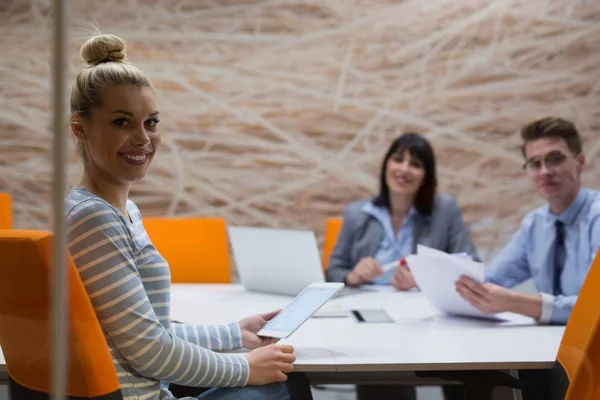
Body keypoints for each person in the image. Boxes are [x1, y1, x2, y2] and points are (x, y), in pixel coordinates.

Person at [65, 33, 313, 400]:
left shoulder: (120, 212)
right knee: (282, 386)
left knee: (284, 380)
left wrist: (235, 334)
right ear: (79, 128)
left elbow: (144, 332)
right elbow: (149, 350)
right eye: (122, 122)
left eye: (151, 122)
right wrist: (246, 367)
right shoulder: (94, 220)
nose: (143, 138)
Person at [325, 132, 479, 400]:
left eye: (416, 164)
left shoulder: (445, 210)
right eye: (398, 160)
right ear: (386, 165)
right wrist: (353, 276)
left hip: (426, 319)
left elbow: (471, 265)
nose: (404, 169)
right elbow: (332, 270)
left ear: (426, 176)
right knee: (379, 377)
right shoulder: (356, 213)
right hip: (371, 321)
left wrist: (421, 279)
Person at [455, 116, 600, 399]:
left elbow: (594, 310)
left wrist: (515, 302)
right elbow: (492, 279)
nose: (545, 171)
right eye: (535, 163)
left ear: (580, 162)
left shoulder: (597, 217)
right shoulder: (534, 224)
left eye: (555, 159)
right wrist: (448, 277)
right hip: (548, 350)